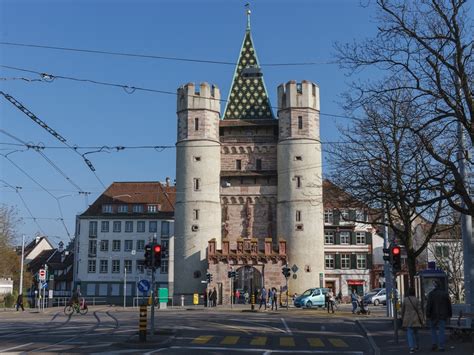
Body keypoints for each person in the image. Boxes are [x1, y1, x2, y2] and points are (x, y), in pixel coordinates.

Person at [426, 281, 452, 352]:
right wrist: (450, 314)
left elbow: (429, 305)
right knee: (442, 331)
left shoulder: (431, 294)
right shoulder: (445, 294)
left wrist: (427, 314)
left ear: (435, 286)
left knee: (433, 330)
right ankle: (441, 346)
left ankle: (434, 344)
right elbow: (448, 305)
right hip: (442, 315)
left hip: (433, 315)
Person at [402, 287, 424, 353]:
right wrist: (422, 319)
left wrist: (402, 317)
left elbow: (403, 310)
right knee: (416, 333)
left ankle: (411, 347)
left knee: (409, 333)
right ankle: (417, 346)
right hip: (416, 318)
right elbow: (420, 311)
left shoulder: (405, 300)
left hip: (408, 319)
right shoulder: (417, 300)